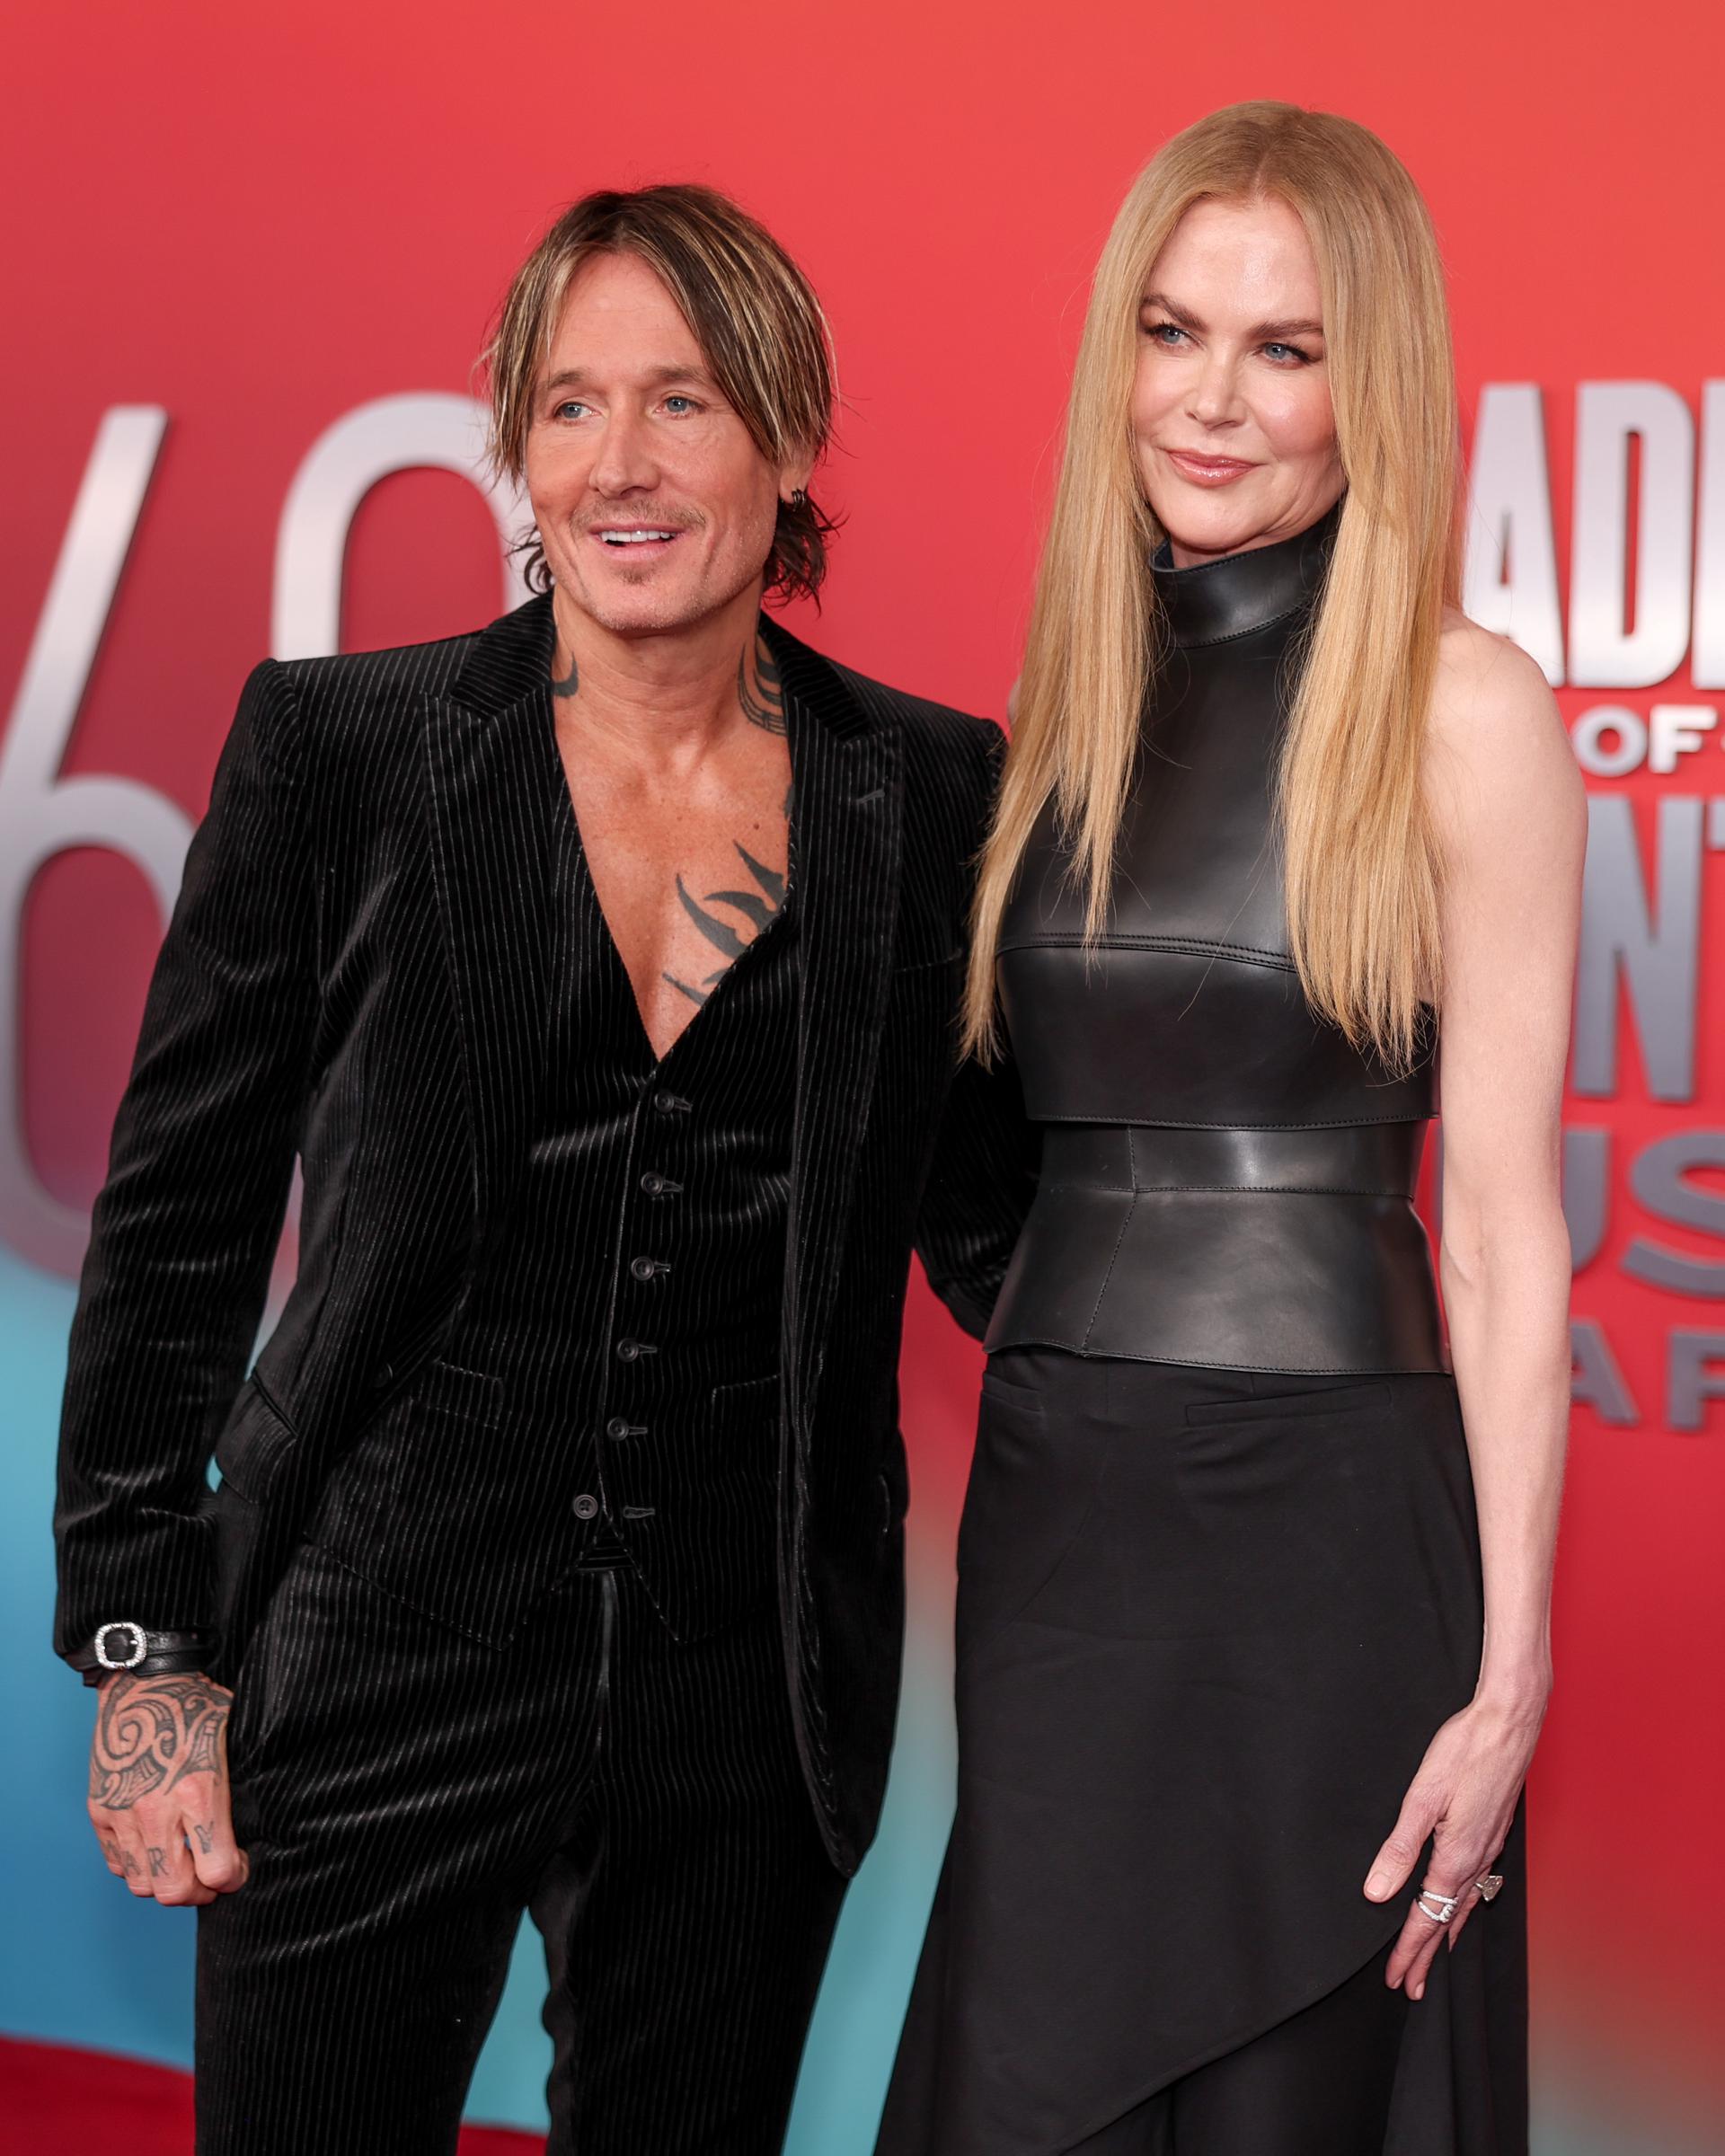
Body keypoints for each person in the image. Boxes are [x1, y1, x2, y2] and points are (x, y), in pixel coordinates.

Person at [54, 182, 1033, 2156]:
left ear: (784, 428)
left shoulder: (932, 792)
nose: (622, 462)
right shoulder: (345, 750)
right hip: (376, 1647)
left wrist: (1283, 1349)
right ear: (512, 441)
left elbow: (1003, 1227)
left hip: (746, 1696)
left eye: (681, 401)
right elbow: (176, 1219)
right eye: (571, 405)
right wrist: (148, 1654)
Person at [878, 102, 1579, 2155]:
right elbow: (983, 1152)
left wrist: (1510, 1675)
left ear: (1383, 382)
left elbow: (1506, 1236)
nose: (1214, 398)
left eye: (1286, 349)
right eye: (1175, 332)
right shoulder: (1058, 717)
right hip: (1065, 1512)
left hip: (1334, 1534)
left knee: (1294, 2098)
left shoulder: (1468, 712)